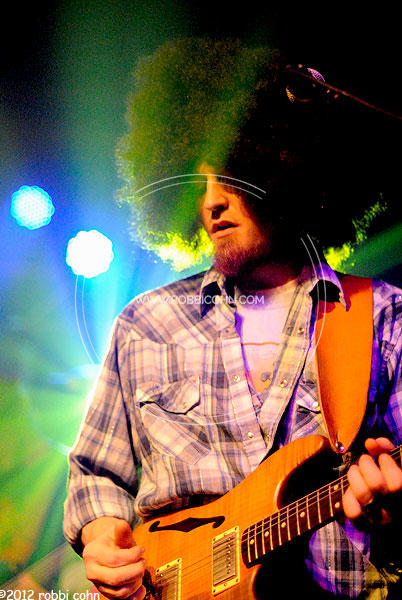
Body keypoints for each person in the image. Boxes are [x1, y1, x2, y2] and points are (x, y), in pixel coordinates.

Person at [63, 39, 402, 599]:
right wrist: (102, 538)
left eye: (229, 176)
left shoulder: (382, 317)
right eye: (196, 185)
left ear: (285, 166)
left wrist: (390, 513)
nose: (210, 203)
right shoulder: (146, 324)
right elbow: (96, 473)